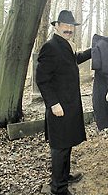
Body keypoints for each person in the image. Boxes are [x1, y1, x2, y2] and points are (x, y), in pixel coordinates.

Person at [36, 10, 91, 195]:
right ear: (57, 26)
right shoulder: (50, 47)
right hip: (59, 106)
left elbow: (74, 60)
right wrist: (53, 104)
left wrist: (93, 51)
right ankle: (58, 188)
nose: (68, 29)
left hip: (70, 104)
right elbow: (42, 79)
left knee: (67, 143)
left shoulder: (66, 45)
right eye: (65, 26)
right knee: (59, 147)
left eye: (71, 26)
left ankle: (64, 176)